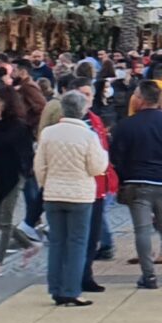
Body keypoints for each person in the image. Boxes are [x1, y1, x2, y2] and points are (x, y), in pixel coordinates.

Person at [34, 90, 110, 305]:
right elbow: (97, 167)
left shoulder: (48, 133)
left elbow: (39, 165)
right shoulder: (88, 135)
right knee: (77, 243)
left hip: (53, 192)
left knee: (57, 242)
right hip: (80, 194)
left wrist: (46, 183)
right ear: (82, 110)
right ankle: (71, 290)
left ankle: (56, 287)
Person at [110, 80, 162, 289]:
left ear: (141, 98)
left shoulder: (127, 124)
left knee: (142, 229)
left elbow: (116, 156)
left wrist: (124, 178)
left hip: (138, 180)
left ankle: (149, 275)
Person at [0, 93, 38, 279]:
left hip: (14, 175)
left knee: (5, 220)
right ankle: (29, 245)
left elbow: (5, 142)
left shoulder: (19, 126)